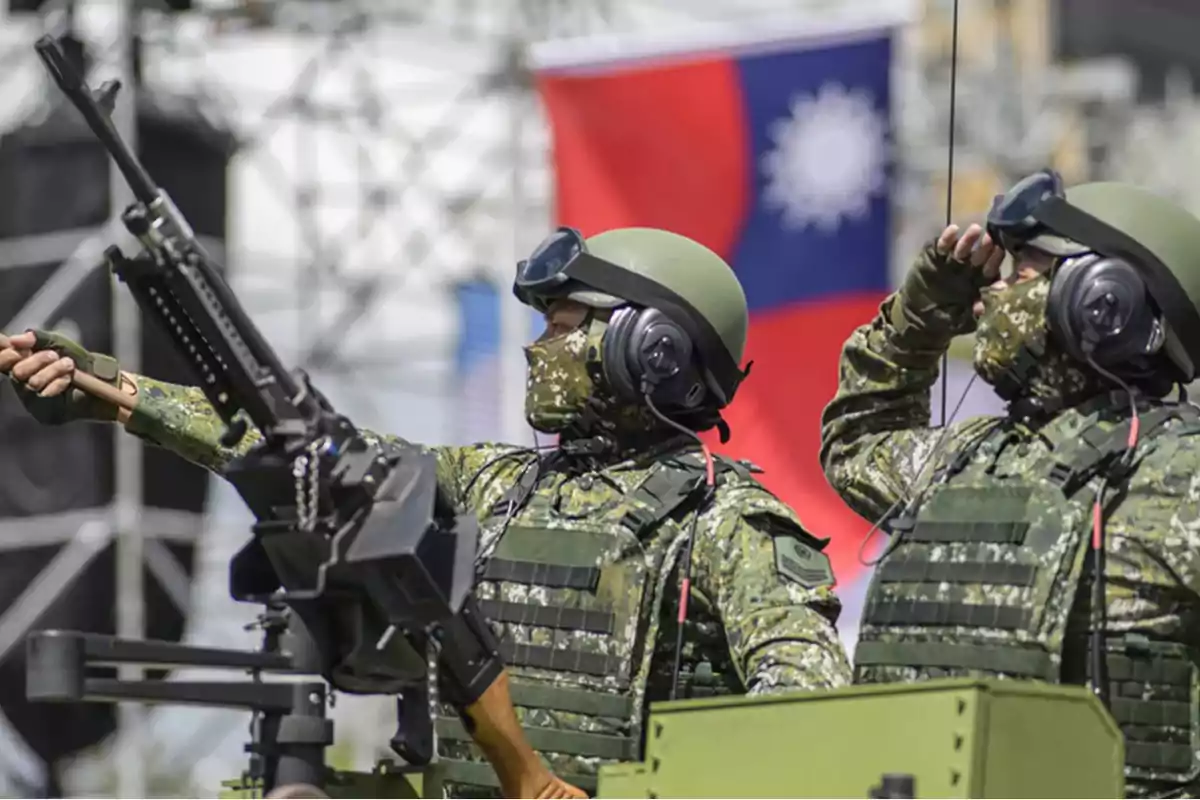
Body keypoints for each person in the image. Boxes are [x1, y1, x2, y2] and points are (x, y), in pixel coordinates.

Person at [3, 226, 851, 797]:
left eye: (563, 327)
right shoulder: (493, 484)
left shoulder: (722, 523)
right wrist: (116, 392)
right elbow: (313, 456)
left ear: (652, 352)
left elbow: (818, 736)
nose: (538, 348)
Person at [820, 171, 1200, 798]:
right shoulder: (966, 457)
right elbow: (859, 435)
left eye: (1020, 275)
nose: (986, 300)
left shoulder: (1177, 473)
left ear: (1104, 301)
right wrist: (923, 312)